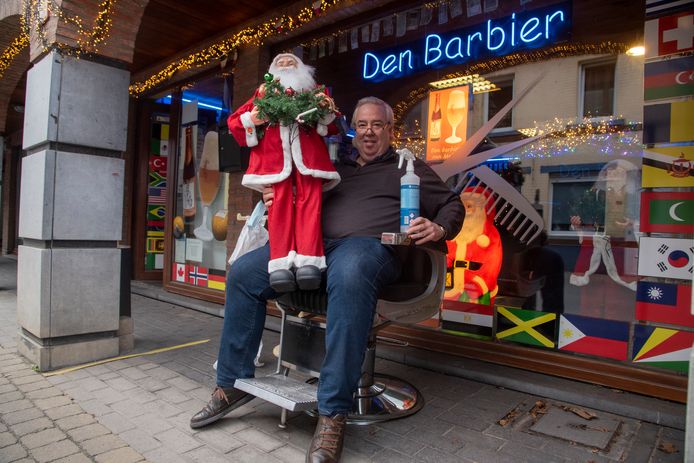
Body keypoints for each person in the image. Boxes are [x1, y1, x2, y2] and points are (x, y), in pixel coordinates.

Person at [190, 96, 465, 463]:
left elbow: (453, 204)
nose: (369, 132)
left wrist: (439, 225)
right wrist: (275, 203)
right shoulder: (334, 168)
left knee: (350, 271)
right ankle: (231, 385)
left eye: (377, 125)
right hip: (314, 249)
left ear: (390, 129)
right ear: (354, 131)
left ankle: (333, 411)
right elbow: (297, 201)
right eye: (362, 125)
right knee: (243, 272)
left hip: (370, 250)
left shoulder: (406, 167)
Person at [227, 53, 340, 292]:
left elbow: (331, 123)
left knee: (310, 207)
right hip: (275, 163)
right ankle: (279, 265)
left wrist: (323, 110)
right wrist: (254, 118)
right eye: (281, 63)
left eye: (291, 63)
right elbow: (235, 122)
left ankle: (309, 262)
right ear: (272, 71)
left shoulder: (314, 92)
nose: (287, 66)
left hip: (308, 161)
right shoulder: (262, 94)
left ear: (302, 68)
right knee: (279, 207)